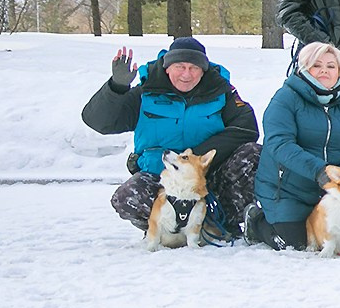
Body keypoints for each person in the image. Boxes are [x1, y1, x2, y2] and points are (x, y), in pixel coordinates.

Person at [85, 37, 261, 243]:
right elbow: (100, 123)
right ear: (167, 67)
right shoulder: (145, 92)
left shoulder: (221, 92)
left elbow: (246, 128)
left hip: (208, 178)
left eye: (194, 68)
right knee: (126, 197)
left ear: (203, 70)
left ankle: (223, 223)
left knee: (253, 154)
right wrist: (116, 87)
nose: (186, 74)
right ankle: (165, 229)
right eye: (180, 66)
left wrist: (193, 158)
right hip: (162, 181)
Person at [244, 42, 340, 249]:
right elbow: (279, 144)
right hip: (287, 189)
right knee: (295, 243)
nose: (324, 71)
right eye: (316, 65)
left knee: (335, 237)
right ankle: (256, 221)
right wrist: (319, 171)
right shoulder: (286, 98)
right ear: (303, 68)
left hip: (335, 189)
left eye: (331, 66)